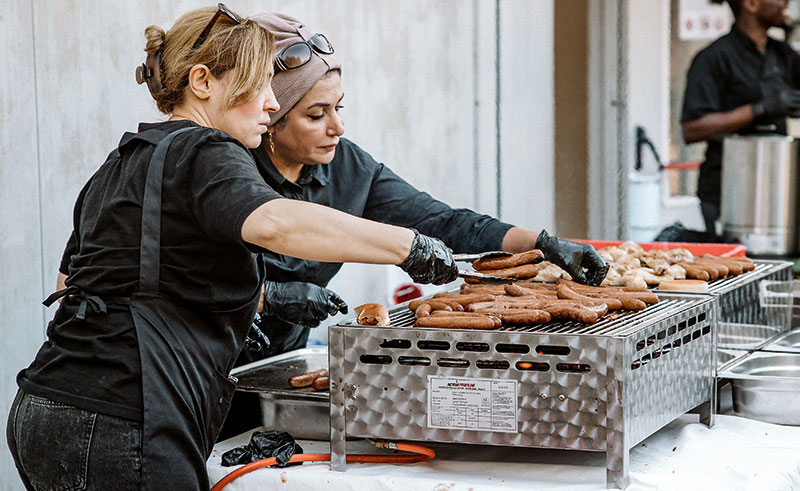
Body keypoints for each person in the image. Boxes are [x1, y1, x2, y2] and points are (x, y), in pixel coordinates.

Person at [5, 5, 460, 490]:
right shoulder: (206, 148)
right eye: (261, 84)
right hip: (123, 418)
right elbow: (276, 223)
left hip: (44, 407)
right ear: (203, 82)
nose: (272, 104)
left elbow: (70, 287)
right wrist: (409, 246)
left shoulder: (119, 163)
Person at [217, 11, 610, 440]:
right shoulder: (229, 168)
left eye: (339, 107)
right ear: (271, 115)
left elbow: (440, 220)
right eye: (316, 115)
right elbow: (177, 268)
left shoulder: (348, 166)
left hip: (278, 374)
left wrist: (542, 242)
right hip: (206, 367)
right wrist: (266, 299)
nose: (338, 126)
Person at [681, 0, 800, 239]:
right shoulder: (713, 58)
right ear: (752, 4)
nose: (786, 1)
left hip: (780, 192)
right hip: (727, 192)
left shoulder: (783, 55)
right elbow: (692, 129)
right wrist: (760, 108)